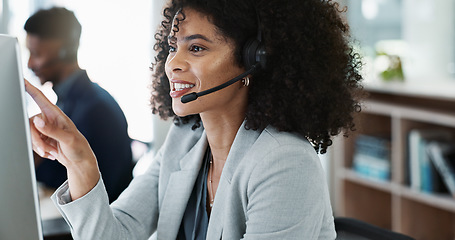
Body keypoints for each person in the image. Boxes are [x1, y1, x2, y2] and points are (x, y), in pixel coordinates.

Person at [25, 0, 364, 239]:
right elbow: (117, 233)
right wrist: (80, 160)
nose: (172, 63)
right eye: (174, 46)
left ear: (255, 62)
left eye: (197, 48)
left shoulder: (285, 163)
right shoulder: (185, 139)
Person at [24, 7, 133, 203]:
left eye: (36, 54)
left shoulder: (96, 109)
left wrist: (35, 158)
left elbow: (93, 184)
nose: (30, 64)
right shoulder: (68, 101)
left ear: (65, 51)